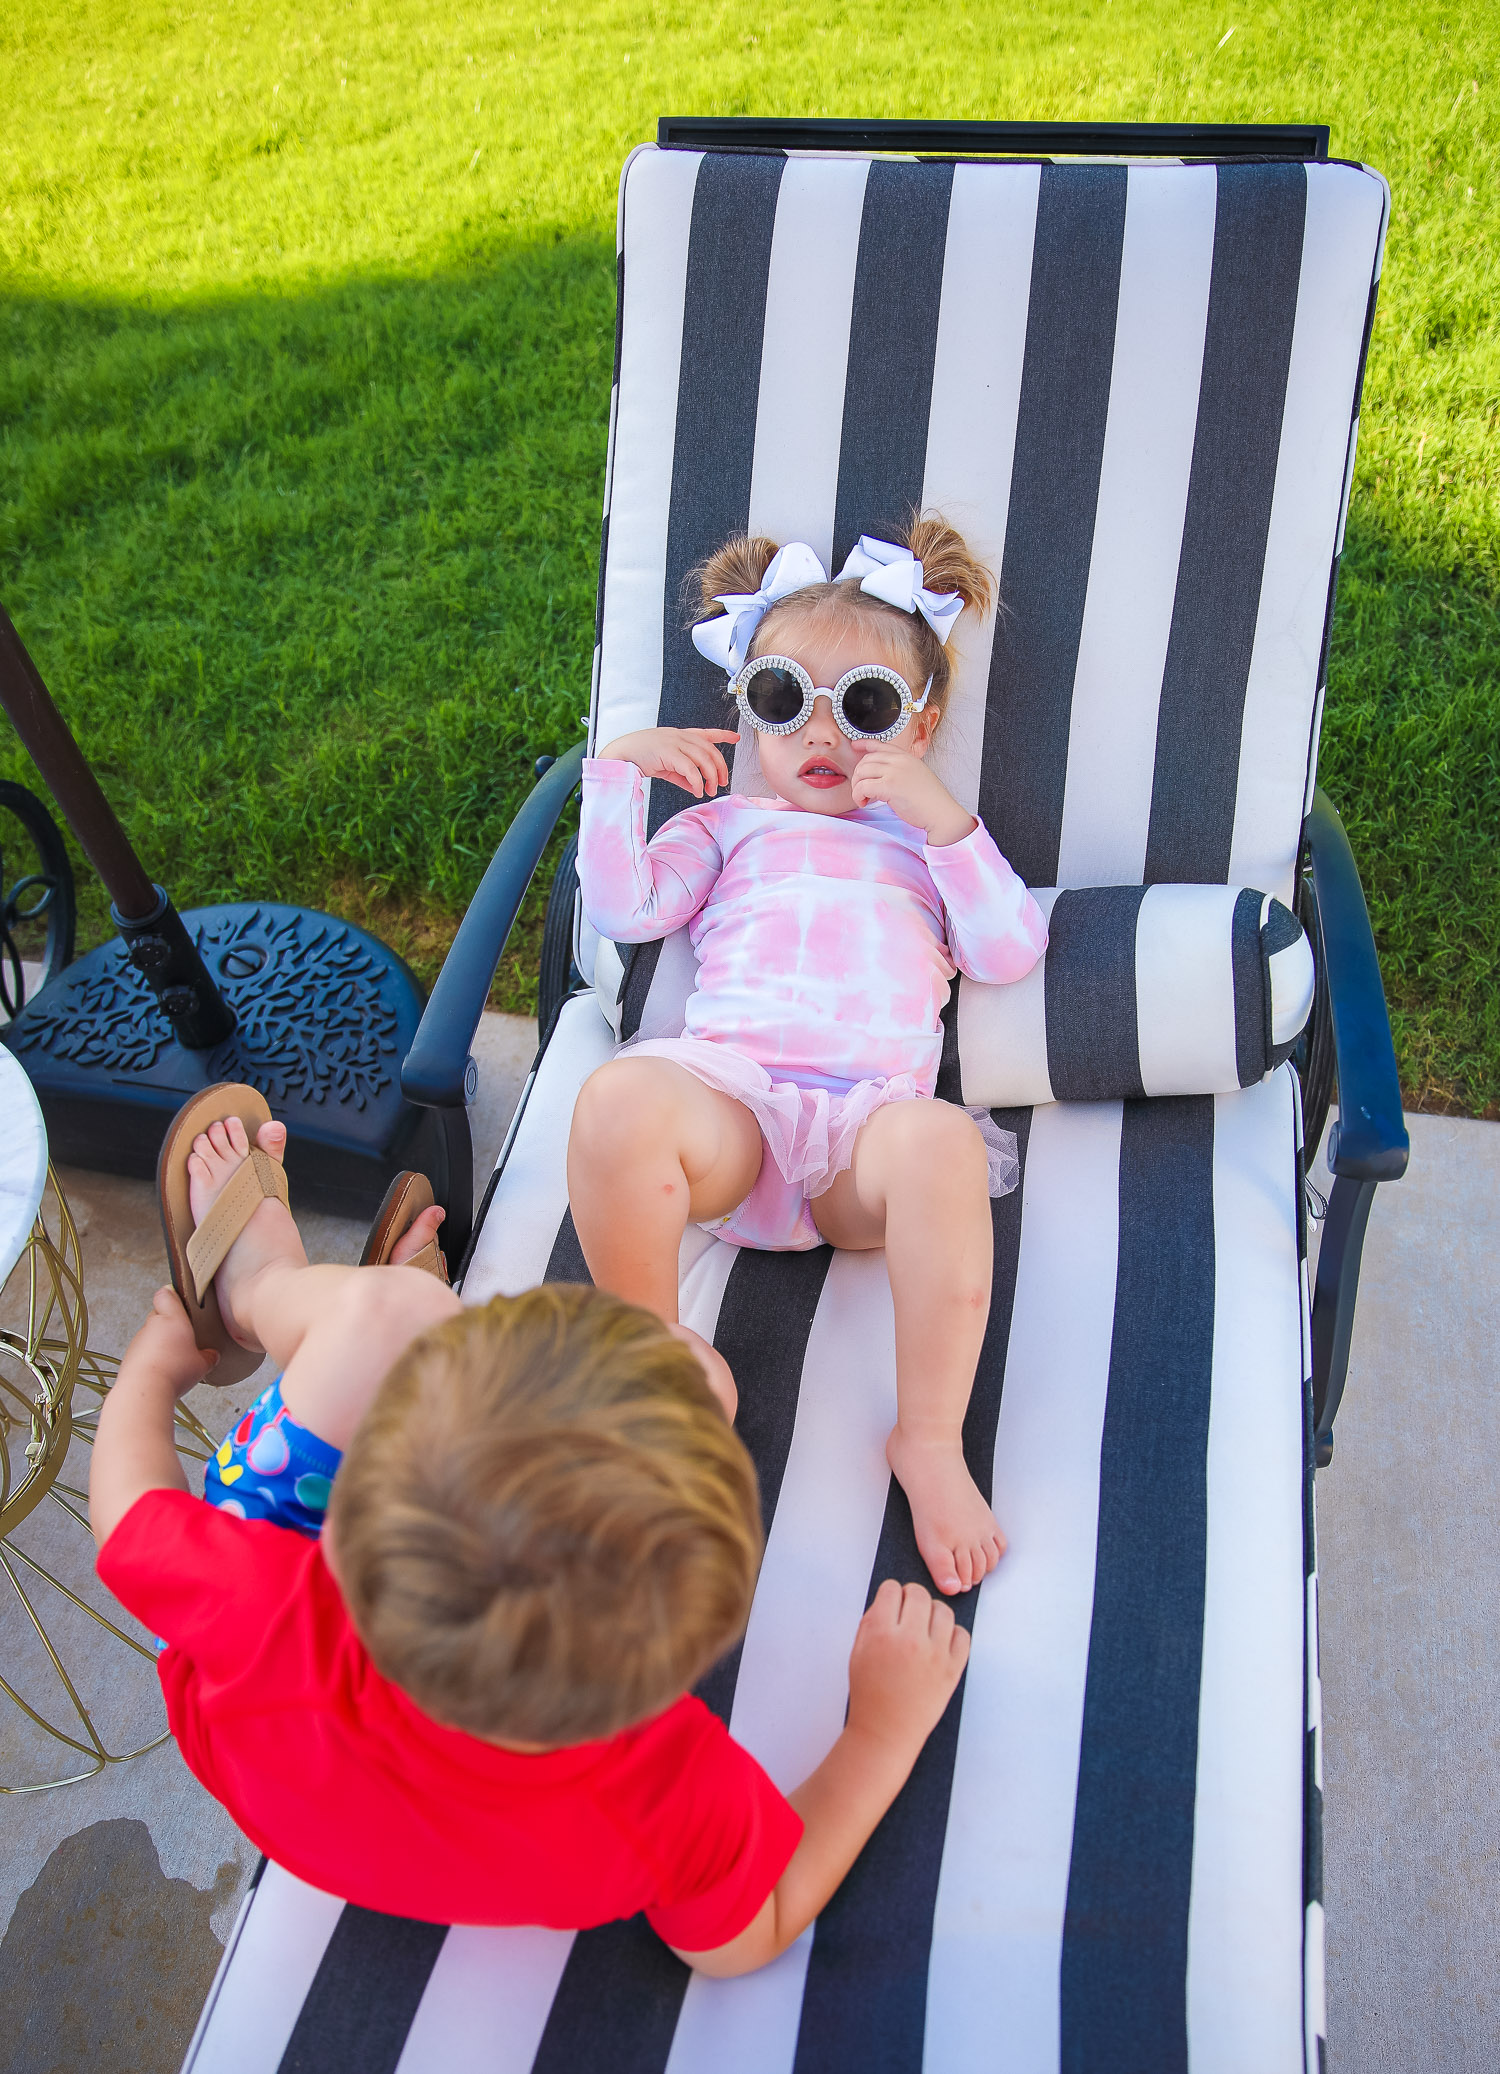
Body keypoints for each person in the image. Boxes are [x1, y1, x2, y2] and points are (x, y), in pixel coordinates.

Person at [90, 1107, 969, 1975]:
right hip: (362, 1804)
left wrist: (158, 1369)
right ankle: (348, 1324)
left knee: (397, 1312)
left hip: (264, 1739)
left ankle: (259, 1294)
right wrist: (880, 1734)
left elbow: (128, 1512)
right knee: (699, 1379)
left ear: (360, 1532)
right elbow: (745, 1935)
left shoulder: (276, 1609)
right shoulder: (664, 1794)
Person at [570, 517, 1048, 1598]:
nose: (822, 730)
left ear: (919, 726)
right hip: (731, 1123)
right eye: (785, 699)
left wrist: (948, 826)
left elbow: (1012, 947)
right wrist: (618, 770)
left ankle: (928, 1436)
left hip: (860, 1145)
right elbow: (623, 906)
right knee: (614, 1102)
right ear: (745, 710)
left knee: (940, 1147)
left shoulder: (924, 845)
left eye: (867, 705)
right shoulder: (730, 828)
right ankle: (656, 1357)